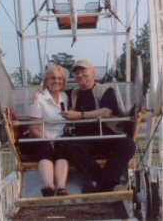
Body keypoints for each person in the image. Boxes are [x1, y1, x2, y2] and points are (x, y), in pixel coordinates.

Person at [61, 59, 136, 193]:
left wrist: (80, 115)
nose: (80, 75)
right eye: (76, 73)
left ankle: (98, 184)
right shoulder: (72, 93)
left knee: (128, 145)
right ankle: (107, 184)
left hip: (106, 133)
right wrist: (40, 94)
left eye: (83, 71)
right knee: (71, 147)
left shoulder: (106, 89)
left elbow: (106, 112)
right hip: (84, 137)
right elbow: (53, 90)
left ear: (93, 72)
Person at [29, 64, 69, 197]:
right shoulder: (38, 98)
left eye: (59, 78)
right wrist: (48, 140)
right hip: (42, 137)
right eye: (52, 78)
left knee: (63, 149)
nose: (56, 81)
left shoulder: (65, 97)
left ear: (63, 82)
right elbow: (33, 128)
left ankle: (61, 187)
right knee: (46, 148)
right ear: (46, 80)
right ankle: (48, 186)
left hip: (60, 137)